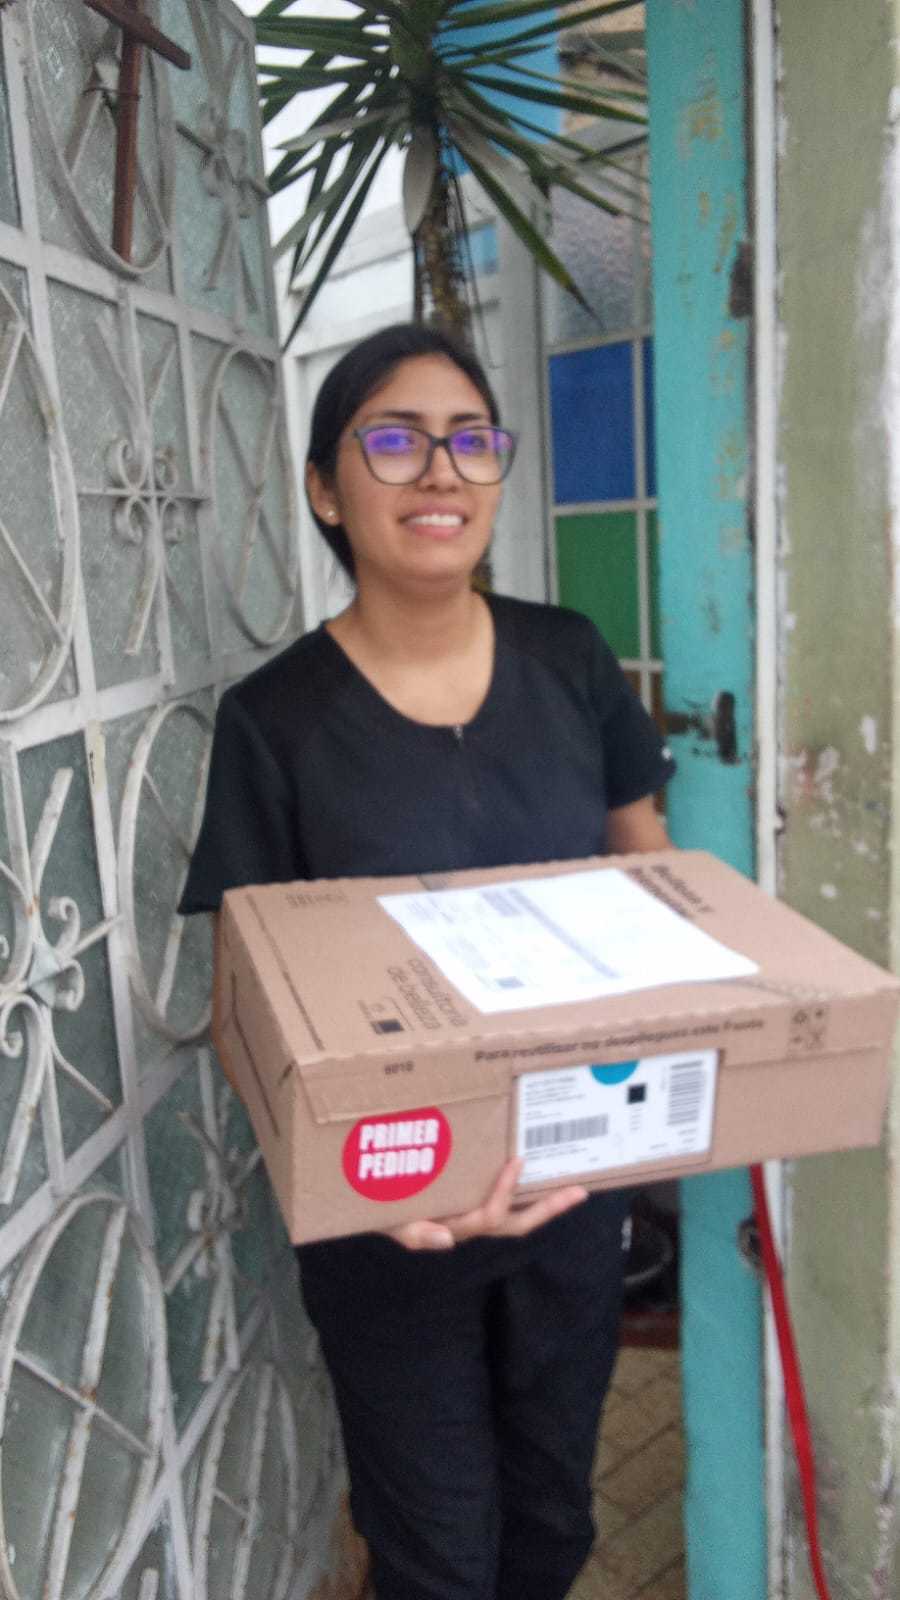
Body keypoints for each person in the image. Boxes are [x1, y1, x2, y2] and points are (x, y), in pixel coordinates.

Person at [179, 322, 675, 1600]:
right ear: (325, 488)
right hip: (389, 1205)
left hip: (568, 1184)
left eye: (470, 439)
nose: (441, 470)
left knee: (551, 1522)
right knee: (437, 1556)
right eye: (394, 440)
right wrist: (366, 1187)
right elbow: (243, 1010)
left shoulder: (570, 658)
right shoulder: (275, 720)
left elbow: (652, 891)